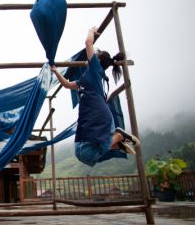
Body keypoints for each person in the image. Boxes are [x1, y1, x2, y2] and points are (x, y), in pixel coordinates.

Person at [50, 27, 140, 167]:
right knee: (84, 154)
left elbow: (88, 43)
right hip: (92, 116)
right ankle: (116, 144)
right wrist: (56, 72)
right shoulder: (85, 79)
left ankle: (118, 137)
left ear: (97, 61)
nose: (88, 58)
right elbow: (67, 84)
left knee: (84, 154)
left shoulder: (95, 70)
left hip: (97, 115)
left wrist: (91, 31)